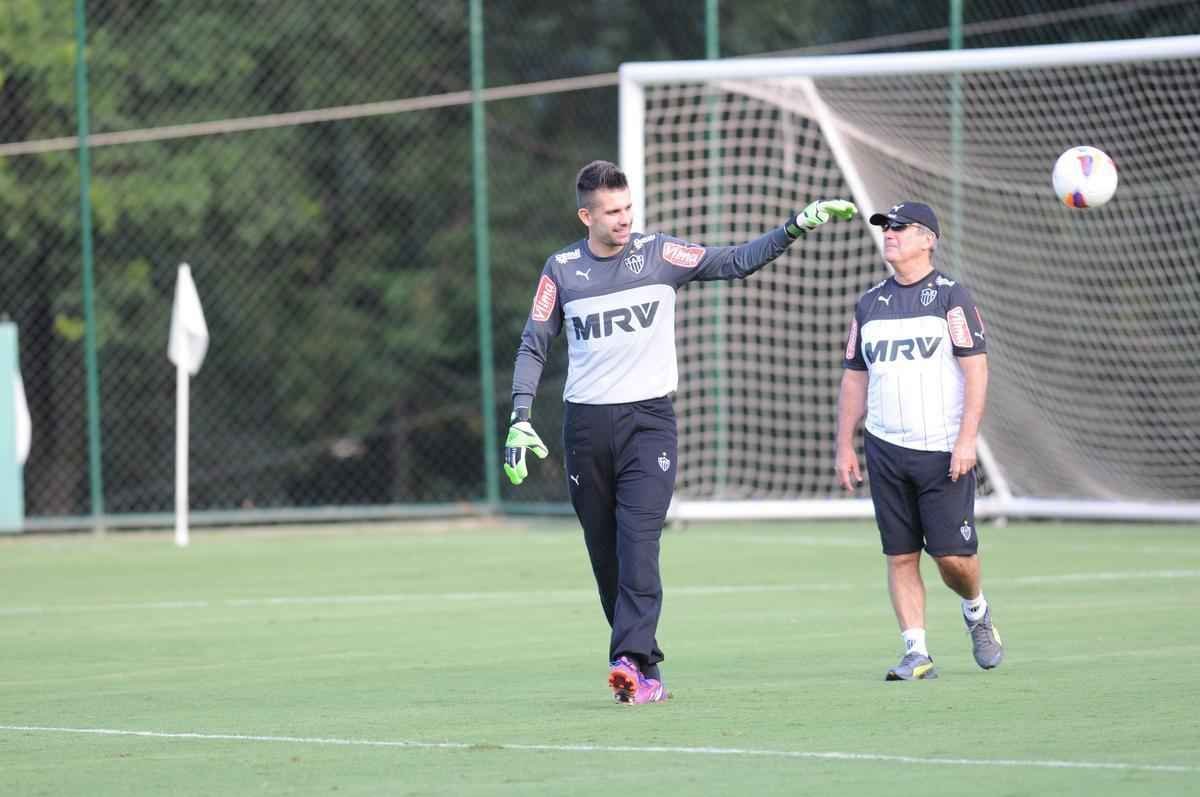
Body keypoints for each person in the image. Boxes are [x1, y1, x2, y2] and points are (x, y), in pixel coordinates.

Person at [504, 159, 856, 704]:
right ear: (585, 216)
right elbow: (533, 343)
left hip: (649, 424)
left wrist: (796, 225)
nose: (624, 220)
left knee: (639, 545)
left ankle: (627, 660)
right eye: (612, 212)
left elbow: (735, 262)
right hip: (586, 429)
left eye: (628, 208)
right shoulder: (561, 270)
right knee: (607, 560)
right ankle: (645, 674)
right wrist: (520, 416)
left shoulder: (660, 253)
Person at [834, 201, 1004, 681]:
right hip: (885, 447)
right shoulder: (868, 303)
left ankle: (975, 610)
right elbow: (854, 377)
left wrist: (967, 440)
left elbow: (977, 370)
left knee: (953, 558)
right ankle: (916, 651)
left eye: (900, 227)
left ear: (928, 238)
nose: (889, 234)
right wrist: (844, 443)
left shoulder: (952, 298)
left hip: (942, 449)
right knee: (900, 553)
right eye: (886, 228)